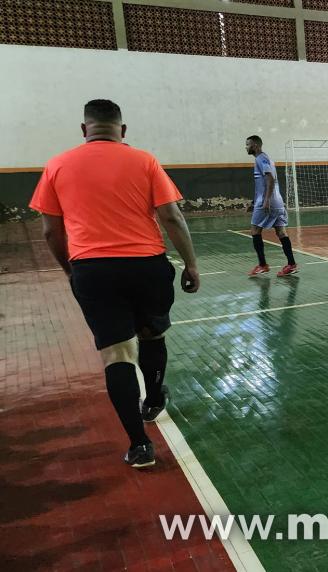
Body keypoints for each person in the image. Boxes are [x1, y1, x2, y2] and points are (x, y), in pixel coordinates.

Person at [29, 99, 200, 469]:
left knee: (117, 355)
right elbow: (171, 216)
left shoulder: (57, 165)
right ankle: (154, 399)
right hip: (147, 266)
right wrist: (190, 263)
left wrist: (71, 270)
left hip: (94, 270)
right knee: (152, 336)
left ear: (83, 129)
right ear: (123, 130)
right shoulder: (145, 160)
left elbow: (49, 231)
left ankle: (140, 445)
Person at [246, 136, 298, 277]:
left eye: (248, 144)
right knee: (281, 232)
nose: (246, 147)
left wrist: (266, 200)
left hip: (267, 202)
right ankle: (291, 264)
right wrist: (253, 202)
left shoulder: (260, 159)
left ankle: (262, 265)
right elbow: (263, 183)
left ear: (255, 146)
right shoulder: (267, 159)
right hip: (278, 202)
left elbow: (270, 178)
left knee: (255, 230)